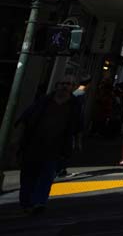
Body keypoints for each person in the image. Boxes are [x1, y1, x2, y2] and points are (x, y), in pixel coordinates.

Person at [16, 79, 82, 214]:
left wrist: (77, 142)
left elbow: (78, 125)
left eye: (67, 84)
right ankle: (26, 202)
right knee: (29, 175)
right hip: (33, 144)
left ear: (72, 87)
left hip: (56, 146)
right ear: (56, 86)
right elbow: (25, 119)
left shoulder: (75, 105)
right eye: (62, 83)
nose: (64, 86)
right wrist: (18, 140)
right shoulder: (43, 101)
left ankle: (39, 202)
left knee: (47, 175)